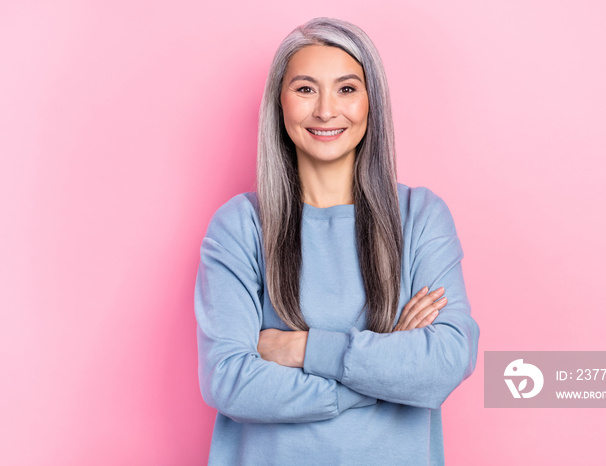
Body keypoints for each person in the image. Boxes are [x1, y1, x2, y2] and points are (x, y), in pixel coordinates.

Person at [194, 17, 480, 465]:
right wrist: (382, 372)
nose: (326, 111)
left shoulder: (420, 218)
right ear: (279, 103)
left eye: (346, 89)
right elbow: (229, 381)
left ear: (371, 102)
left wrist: (303, 348)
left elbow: (445, 361)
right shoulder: (241, 227)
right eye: (306, 89)